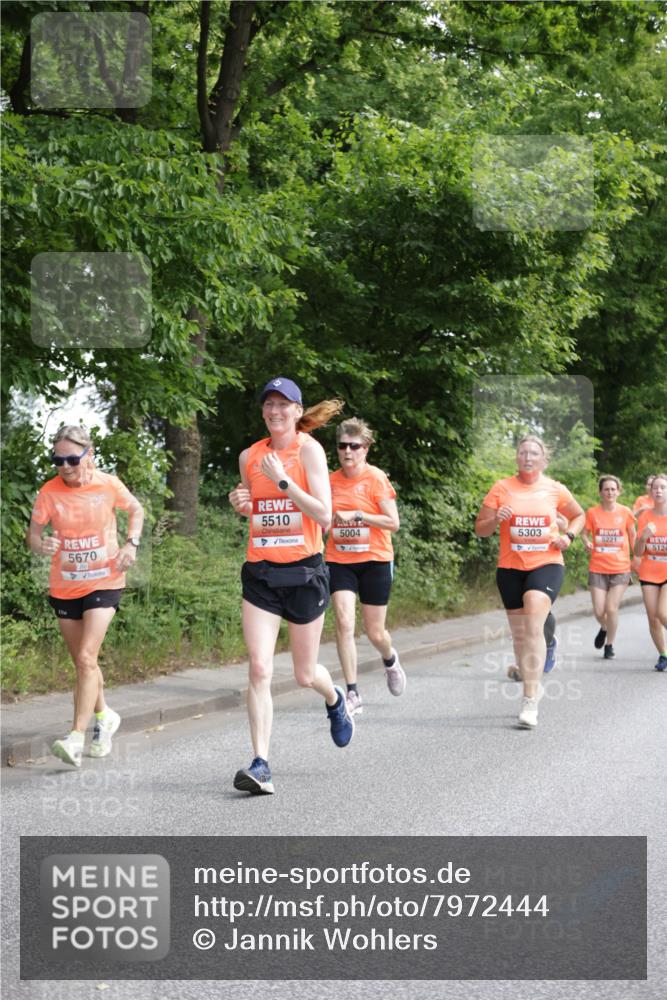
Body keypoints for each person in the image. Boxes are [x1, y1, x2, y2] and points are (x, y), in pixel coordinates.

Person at [228, 377, 353, 796]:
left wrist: (283, 480)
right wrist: (242, 502)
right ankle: (260, 764)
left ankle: (334, 697)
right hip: (261, 572)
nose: (276, 411)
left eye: (284, 405)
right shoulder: (250, 455)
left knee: (303, 674)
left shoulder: (310, 451)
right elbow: (253, 507)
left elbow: (324, 515)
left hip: (304, 573)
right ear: (263, 411)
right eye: (270, 405)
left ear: (298, 412)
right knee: (260, 668)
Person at [27, 425, 144, 767]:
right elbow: (33, 536)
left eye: (71, 459)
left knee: (87, 655)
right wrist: (41, 545)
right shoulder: (48, 492)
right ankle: (105, 716)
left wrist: (131, 543)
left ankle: (76, 735)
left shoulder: (107, 484)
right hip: (65, 585)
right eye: (57, 460)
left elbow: (136, 510)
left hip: (105, 580)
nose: (64, 466)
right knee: (83, 660)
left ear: (88, 454)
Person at [475, 436, 584, 729]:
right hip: (510, 568)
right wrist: (496, 518)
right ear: (516, 458)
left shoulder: (554, 489)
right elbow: (480, 530)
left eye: (534, 453)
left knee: (534, 613)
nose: (528, 457)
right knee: (521, 635)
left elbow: (579, 515)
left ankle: (530, 700)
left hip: (546, 563)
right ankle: (535, 669)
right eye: (523, 452)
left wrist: (569, 536)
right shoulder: (501, 488)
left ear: (543, 460)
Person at [324, 418, 404, 716]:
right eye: (342, 446)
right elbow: (320, 519)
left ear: (365, 448)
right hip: (340, 560)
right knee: (344, 622)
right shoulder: (329, 481)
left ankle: (390, 659)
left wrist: (359, 515)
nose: (347, 451)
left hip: (375, 560)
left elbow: (393, 522)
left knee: (375, 632)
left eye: (354, 446)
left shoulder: (376, 478)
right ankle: (352, 692)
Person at [582, 476, 636, 659]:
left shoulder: (625, 512)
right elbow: (584, 534)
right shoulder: (592, 513)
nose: (610, 492)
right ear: (600, 492)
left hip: (620, 567)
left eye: (613, 489)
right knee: (599, 611)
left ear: (618, 492)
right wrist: (586, 541)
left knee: (611, 608)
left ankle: (609, 645)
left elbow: (633, 536)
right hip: (597, 567)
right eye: (606, 489)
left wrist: (636, 558)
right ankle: (604, 626)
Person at [634, 473, 667, 672]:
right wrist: (644, 537)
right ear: (650, 491)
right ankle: (663, 654)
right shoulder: (645, 516)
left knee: (663, 612)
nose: (659, 491)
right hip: (649, 570)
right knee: (652, 615)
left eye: (663, 487)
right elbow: (638, 552)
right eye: (655, 488)